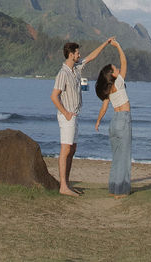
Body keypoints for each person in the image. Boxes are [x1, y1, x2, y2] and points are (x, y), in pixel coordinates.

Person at [51, 37, 112, 195]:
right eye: (77, 52)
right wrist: (65, 113)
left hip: (75, 115)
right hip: (67, 116)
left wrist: (105, 43)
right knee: (65, 149)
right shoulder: (62, 73)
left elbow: (92, 57)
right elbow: (54, 96)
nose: (79, 55)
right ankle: (63, 186)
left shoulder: (76, 68)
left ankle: (67, 183)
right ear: (71, 54)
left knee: (72, 149)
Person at [94, 37, 131, 197]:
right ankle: (121, 191)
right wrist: (118, 46)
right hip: (123, 120)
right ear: (113, 74)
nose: (118, 69)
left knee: (117, 157)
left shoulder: (109, 91)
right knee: (124, 157)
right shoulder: (117, 84)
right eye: (115, 69)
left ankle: (113, 189)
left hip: (114, 122)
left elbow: (104, 107)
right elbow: (125, 62)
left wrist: (98, 121)